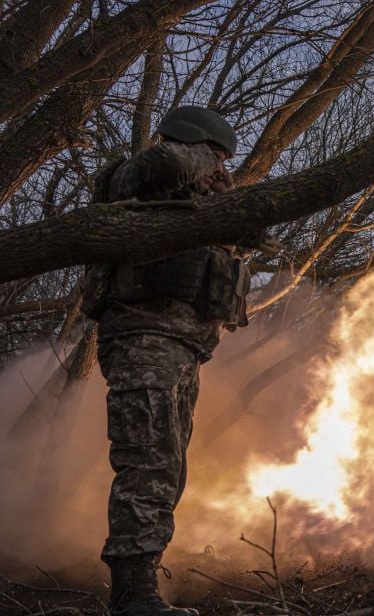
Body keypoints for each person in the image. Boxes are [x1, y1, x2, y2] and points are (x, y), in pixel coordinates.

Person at [85, 106, 277, 616]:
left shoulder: (200, 204)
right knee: (147, 461)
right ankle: (132, 597)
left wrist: (226, 198)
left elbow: (256, 233)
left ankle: (140, 584)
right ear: (193, 146)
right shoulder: (134, 177)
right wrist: (198, 160)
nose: (218, 167)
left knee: (167, 465)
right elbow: (162, 163)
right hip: (143, 336)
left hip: (183, 346)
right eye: (214, 157)